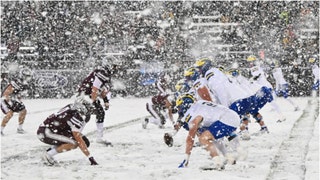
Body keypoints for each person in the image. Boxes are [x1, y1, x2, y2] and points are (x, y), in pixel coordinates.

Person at [176, 93, 240, 170]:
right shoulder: (199, 103)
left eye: (179, 107)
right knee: (208, 136)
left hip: (227, 119)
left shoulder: (191, 113)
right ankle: (229, 157)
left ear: (184, 105)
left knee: (203, 139)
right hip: (232, 116)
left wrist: (186, 158)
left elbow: (190, 139)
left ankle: (217, 163)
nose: (179, 110)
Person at [37, 99, 98, 166]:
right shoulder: (76, 118)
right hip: (46, 132)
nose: (89, 111)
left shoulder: (71, 107)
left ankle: (49, 151)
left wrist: (84, 122)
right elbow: (79, 140)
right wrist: (90, 158)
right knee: (74, 143)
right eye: (88, 109)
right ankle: (48, 155)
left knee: (81, 140)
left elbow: (72, 128)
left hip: (51, 128)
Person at [77, 63, 117, 146]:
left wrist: (105, 100)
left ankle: (78, 134)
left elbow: (100, 88)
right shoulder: (102, 73)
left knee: (91, 114)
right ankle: (78, 135)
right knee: (90, 114)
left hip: (86, 94)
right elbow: (94, 89)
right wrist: (93, 101)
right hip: (86, 95)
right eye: (113, 66)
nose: (115, 69)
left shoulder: (102, 72)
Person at [1, 68, 33, 135]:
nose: (28, 78)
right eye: (27, 76)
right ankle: (1, 130)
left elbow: (18, 94)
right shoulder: (16, 82)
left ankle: (19, 128)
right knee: (10, 113)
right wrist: (10, 103)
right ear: (23, 75)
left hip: (13, 99)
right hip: (4, 99)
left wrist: (19, 100)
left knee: (23, 111)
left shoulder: (24, 84)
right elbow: (6, 93)